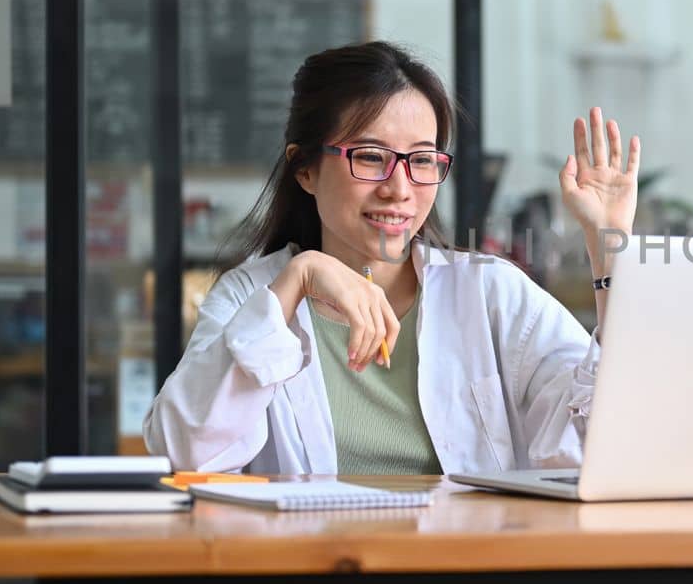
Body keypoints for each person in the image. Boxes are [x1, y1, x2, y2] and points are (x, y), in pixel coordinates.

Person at [142, 41, 641, 475]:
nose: (399, 189)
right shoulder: (251, 297)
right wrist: (296, 282)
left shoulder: (490, 294)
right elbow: (186, 457)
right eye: (371, 157)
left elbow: (597, 450)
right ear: (305, 169)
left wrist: (609, 251)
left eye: (422, 160)